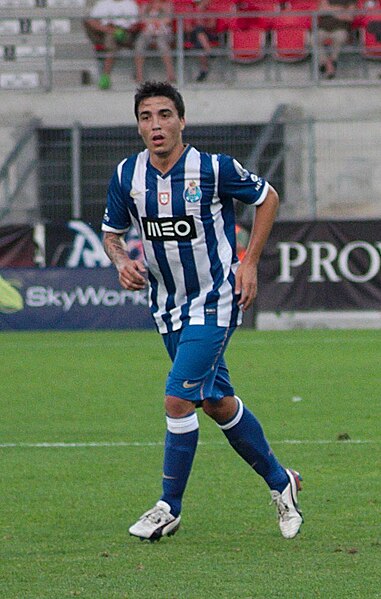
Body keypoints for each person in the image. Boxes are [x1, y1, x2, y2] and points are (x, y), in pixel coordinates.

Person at [101, 80, 304, 542]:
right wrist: (121, 262)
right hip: (167, 306)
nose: (156, 125)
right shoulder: (126, 176)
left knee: (178, 398)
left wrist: (248, 262)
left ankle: (167, 507)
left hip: (215, 300)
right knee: (215, 402)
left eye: (165, 115)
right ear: (138, 126)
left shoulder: (211, 169)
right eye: (146, 117)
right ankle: (281, 482)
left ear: (182, 120)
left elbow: (267, 196)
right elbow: (112, 233)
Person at [84, 0, 139, 89]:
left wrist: (123, 30)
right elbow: (91, 21)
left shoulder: (130, 4)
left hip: (127, 34)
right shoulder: (103, 4)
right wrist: (110, 30)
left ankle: (105, 76)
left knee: (112, 43)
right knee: (111, 41)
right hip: (108, 32)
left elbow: (136, 24)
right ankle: (106, 76)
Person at [134, 0, 176, 84]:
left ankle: (171, 75)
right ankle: (139, 76)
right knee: (139, 45)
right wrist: (154, 21)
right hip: (148, 32)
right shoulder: (146, 6)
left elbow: (168, 19)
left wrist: (156, 21)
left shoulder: (167, 4)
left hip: (163, 32)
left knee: (162, 44)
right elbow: (142, 18)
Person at [317, 0, 357, 78]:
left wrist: (330, 10)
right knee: (313, 38)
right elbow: (321, 10)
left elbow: (349, 17)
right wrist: (340, 10)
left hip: (340, 29)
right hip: (323, 29)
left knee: (340, 37)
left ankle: (332, 61)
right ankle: (328, 63)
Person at [189, 0, 219, 82]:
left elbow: (212, 25)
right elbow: (187, 27)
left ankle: (204, 69)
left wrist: (201, 24)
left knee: (199, 41)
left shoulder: (210, 11)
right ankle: (209, 51)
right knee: (198, 31)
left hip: (208, 34)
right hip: (194, 34)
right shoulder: (191, 12)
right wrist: (199, 15)